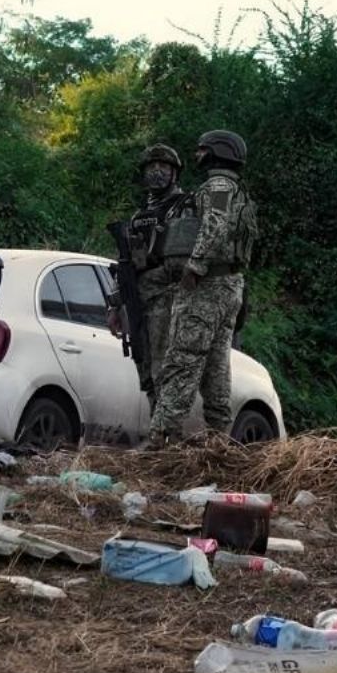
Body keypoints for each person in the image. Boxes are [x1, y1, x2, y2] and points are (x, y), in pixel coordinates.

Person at [147, 130, 257, 447]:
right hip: (230, 286)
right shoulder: (237, 189)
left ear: (217, 152)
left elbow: (216, 224)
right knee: (216, 366)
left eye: (201, 150)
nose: (197, 155)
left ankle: (161, 436)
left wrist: (195, 266)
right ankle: (218, 439)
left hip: (208, 286)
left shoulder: (218, 187)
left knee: (183, 358)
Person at [108, 144, 191, 406]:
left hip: (168, 299)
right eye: (151, 167)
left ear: (175, 173)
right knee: (144, 367)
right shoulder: (138, 217)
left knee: (163, 368)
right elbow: (125, 263)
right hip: (140, 301)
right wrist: (116, 304)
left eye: (163, 167)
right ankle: (159, 428)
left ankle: (165, 434)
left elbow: (182, 263)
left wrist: (148, 280)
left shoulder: (183, 207)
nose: (156, 172)